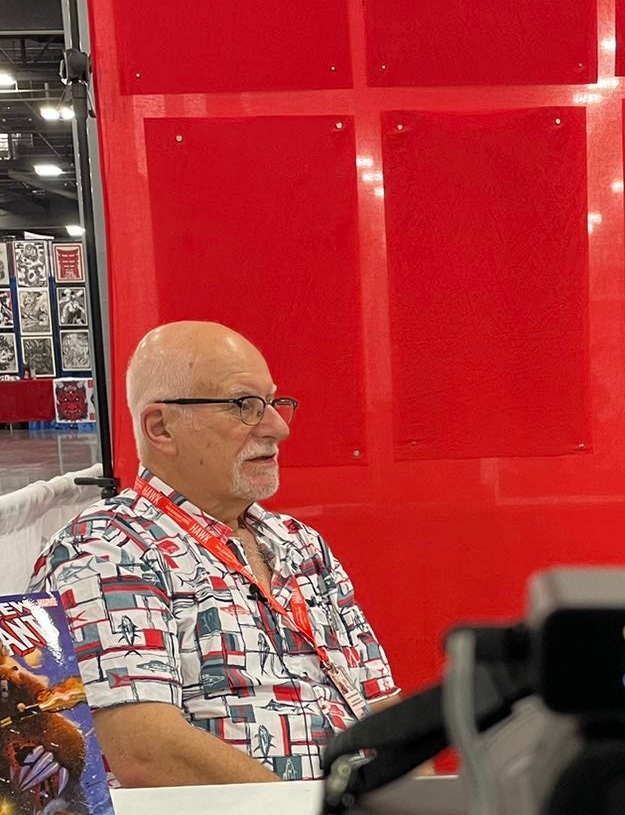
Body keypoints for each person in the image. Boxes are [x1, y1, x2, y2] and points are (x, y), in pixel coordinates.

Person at [28, 320, 395, 785]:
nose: (278, 427)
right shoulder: (103, 549)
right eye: (245, 406)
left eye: (274, 403)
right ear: (160, 427)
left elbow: (378, 701)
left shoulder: (299, 543)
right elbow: (146, 752)